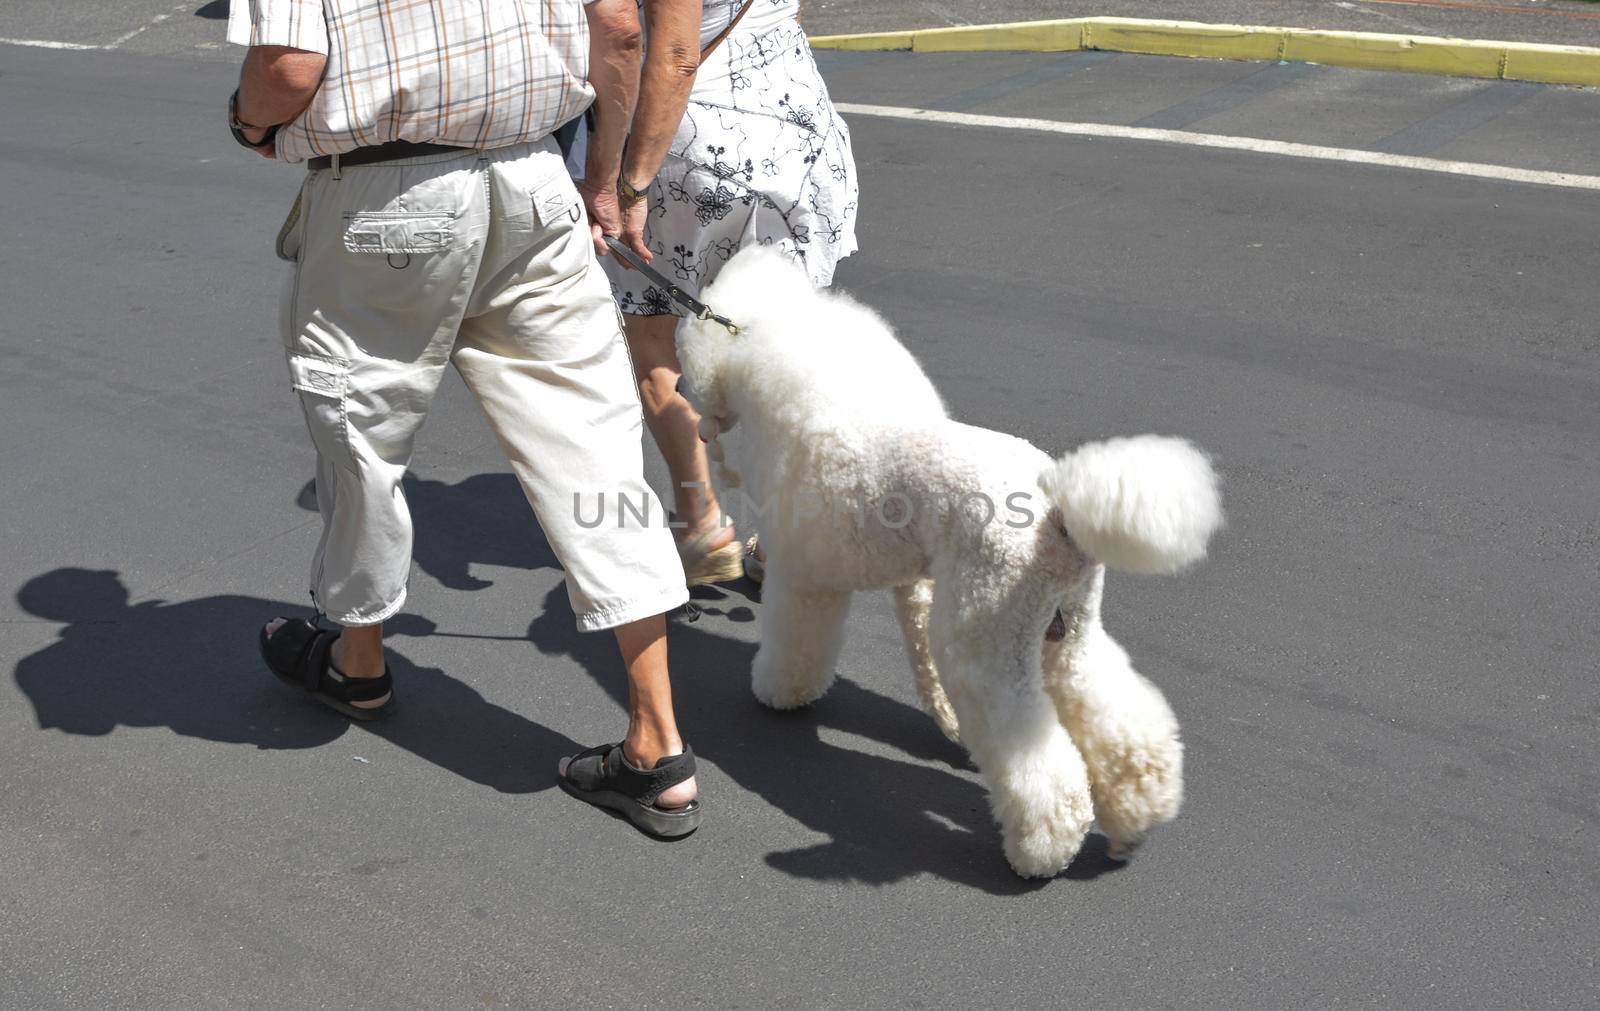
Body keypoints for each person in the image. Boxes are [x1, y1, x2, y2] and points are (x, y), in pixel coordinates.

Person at [227, 0, 701, 836]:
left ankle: (359, 659)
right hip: (533, 181)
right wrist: (603, 181)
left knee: (362, 438)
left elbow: (287, 69)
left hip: (388, 192)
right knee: (596, 452)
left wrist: (249, 122)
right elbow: (621, 28)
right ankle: (657, 743)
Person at [604, 0, 859, 585]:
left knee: (653, 329)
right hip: (790, 121)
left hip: (689, 137)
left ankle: (702, 522)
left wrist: (631, 183)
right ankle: (782, 540)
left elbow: (673, 52)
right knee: (789, 347)